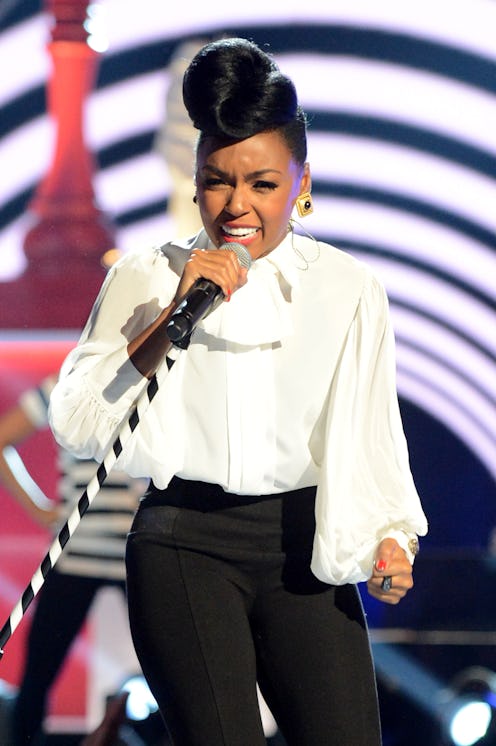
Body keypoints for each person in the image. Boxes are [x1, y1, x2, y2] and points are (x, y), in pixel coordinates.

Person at [49, 37, 428, 746]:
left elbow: (372, 437)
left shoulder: (348, 289)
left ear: (302, 180)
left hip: (302, 551)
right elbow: (76, 423)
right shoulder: (145, 276)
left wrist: (391, 538)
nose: (237, 205)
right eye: (217, 181)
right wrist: (172, 314)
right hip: (182, 543)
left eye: (263, 184)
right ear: (195, 180)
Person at [0, 374, 145, 745]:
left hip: (138, 552)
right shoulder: (66, 381)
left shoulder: (159, 372)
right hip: (83, 551)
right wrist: (38, 509)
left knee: (179, 669)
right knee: (37, 677)